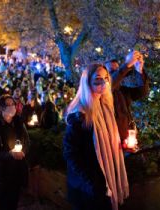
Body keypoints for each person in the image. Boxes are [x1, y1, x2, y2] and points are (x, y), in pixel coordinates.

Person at [63, 64, 129, 210]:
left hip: (104, 182)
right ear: (87, 83)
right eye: (98, 79)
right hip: (89, 189)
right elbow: (70, 153)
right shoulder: (80, 114)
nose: (103, 83)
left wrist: (123, 145)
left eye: (106, 78)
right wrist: (91, 183)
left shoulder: (105, 107)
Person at [0, 94, 29, 210]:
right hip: (2, 174)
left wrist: (23, 152)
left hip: (17, 170)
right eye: (8, 104)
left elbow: (27, 142)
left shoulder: (19, 124)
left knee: (14, 201)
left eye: (13, 104)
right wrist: (9, 154)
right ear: (1, 108)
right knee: (4, 203)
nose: (11, 107)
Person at [107, 51, 149, 144]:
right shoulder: (102, 94)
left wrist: (139, 70)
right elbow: (109, 85)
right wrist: (127, 65)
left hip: (126, 140)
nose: (117, 74)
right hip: (109, 141)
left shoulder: (123, 91)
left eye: (117, 70)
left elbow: (142, 92)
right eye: (111, 71)